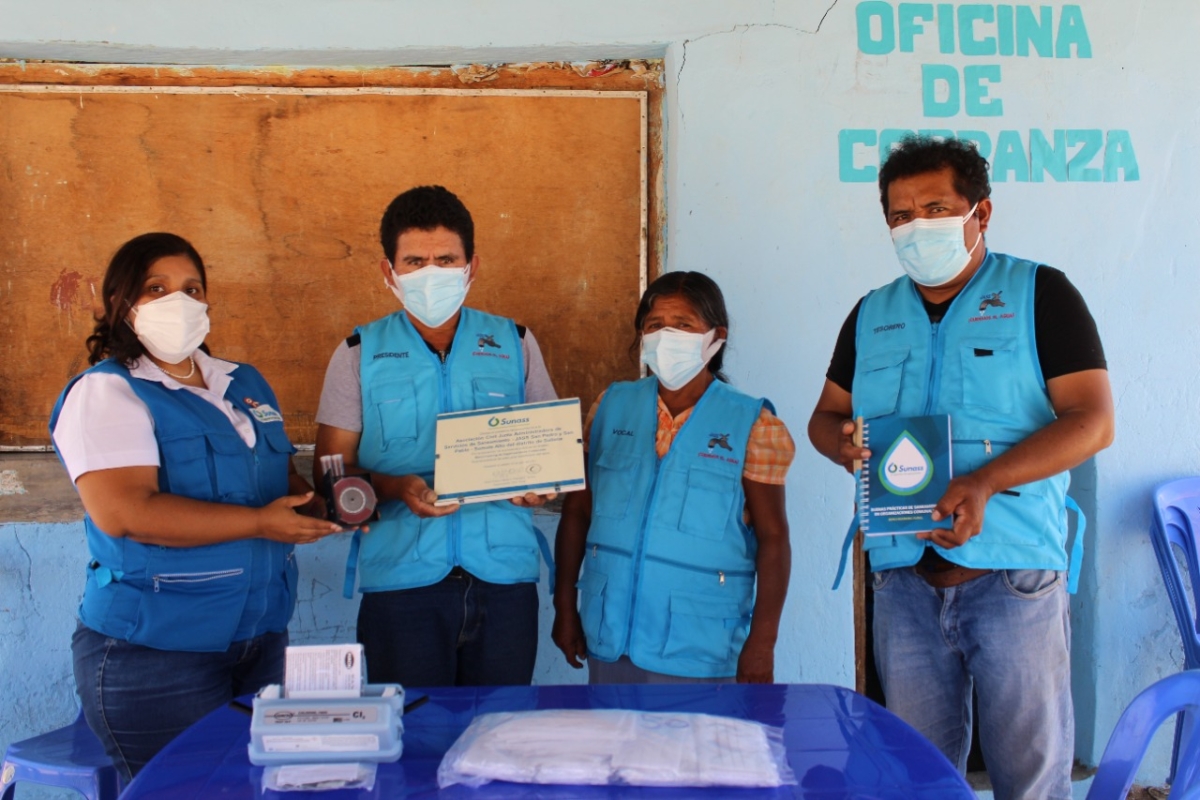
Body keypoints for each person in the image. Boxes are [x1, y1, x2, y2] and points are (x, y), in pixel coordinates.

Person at [807, 135, 1114, 800]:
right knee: (918, 780)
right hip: (904, 588)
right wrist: (844, 444)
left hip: (1014, 581)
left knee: (1030, 782)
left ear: (982, 212)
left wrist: (984, 482)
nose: (917, 227)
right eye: (900, 215)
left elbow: (1092, 420)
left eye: (936, 208)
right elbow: (824, 418)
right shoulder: (871, 314)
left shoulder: (1041, 294)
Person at [49, 232, 343, 781]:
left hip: (260, 639)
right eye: (156, 288)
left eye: (192, 288)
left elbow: (279, 478)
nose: (177, 301)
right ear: (122, 302)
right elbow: (128, 513)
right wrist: (261, 523)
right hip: (155, 654)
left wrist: (326, 506)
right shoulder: (108, 392)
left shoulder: (242, 383)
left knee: (260, 789)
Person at [314, 185, 557, 688]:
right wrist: (395, 487)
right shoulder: (359, 352)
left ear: (471, 267)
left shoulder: (515, 342)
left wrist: (543, 485)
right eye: (415, 261)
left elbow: (549, 454)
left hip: (505, 581)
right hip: (402, 586)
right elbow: (330, 474)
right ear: (389, 271)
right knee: (412, 740)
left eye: (446, 260)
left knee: (498, 738)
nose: (432, 274)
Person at [552, 271, 793, 683]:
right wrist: (564, 608)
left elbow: (773, 539)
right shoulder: (610, 405)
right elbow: (577, 513)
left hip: (699, 644)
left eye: (684, 325)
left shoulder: (754, 424)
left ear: (716, 336)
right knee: (615, 746)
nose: (667, 336)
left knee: (691, 749)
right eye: (655, 325)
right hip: (609, 634)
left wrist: (762, 642)